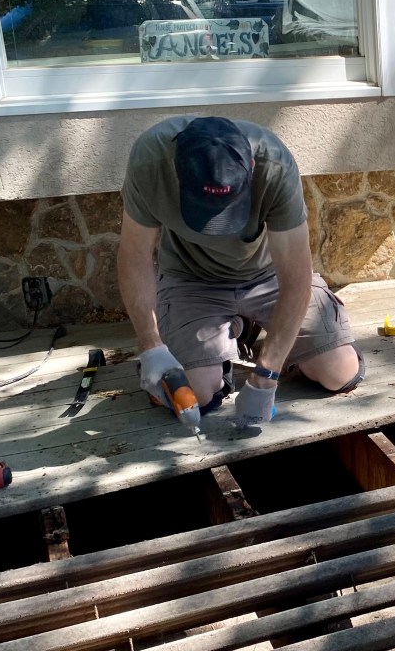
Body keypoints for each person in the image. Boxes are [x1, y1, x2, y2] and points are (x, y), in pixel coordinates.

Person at [118, 115, 363, 427]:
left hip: (268, 276)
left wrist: (265, 378)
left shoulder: (275, 164)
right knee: (196, 394)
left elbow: (296, 276)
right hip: (191, 279)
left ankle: (247, 335)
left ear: (251, 165)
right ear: (177, 172)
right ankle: (230, 336)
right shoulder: (150, 159)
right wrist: (151, 346)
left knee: (339, 372)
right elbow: (134, 255)